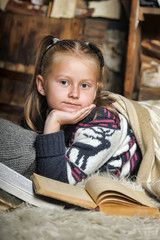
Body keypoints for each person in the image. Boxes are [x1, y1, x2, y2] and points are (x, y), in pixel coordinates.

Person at [23, 35, 142, 185]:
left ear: (95, 91)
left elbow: (55, 184)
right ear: (41, 85)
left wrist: (54, 122)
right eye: (64, 82)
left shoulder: (104, 125)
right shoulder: (47, 111)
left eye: (84, 85)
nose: (74, 94)